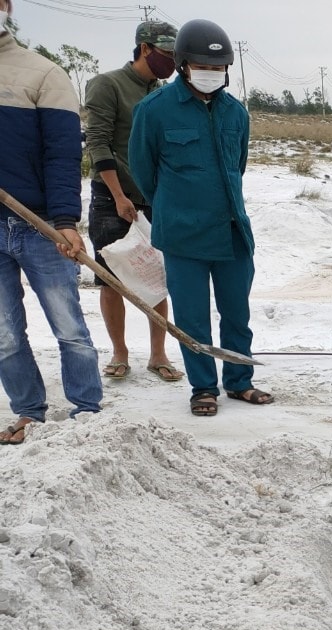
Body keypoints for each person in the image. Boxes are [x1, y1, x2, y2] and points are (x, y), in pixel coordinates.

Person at [129, 18, 272, 417]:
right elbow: (143, 171)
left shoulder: (236, 114)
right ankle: (203, 388)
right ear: (183, 65)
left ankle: (240, 381)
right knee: (192, 318)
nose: (212, 74)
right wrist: (176, 207)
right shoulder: (154, 111)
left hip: (232, 232)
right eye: (204, 67)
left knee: (237, 314)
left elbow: (237, 166)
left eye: (218, 68)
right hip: (183, 236)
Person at [0, 0, 103, 444]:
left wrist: (65, 220)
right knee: (3, 334)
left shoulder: (42, 74)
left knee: (69, 328)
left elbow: (62, 155)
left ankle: (88, 412)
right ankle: (27, 412)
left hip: (39, 224)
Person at [84, 19, 184, 383]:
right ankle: (120, 352)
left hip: (155, 197)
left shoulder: (161, 91)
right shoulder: (107, 84)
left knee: (156, 277)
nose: (172, 62)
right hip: (113, 196)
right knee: (111, 279)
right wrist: (119, 196)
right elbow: (98, 142)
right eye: (167, 54)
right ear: (145, 49)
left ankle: (158, 354)